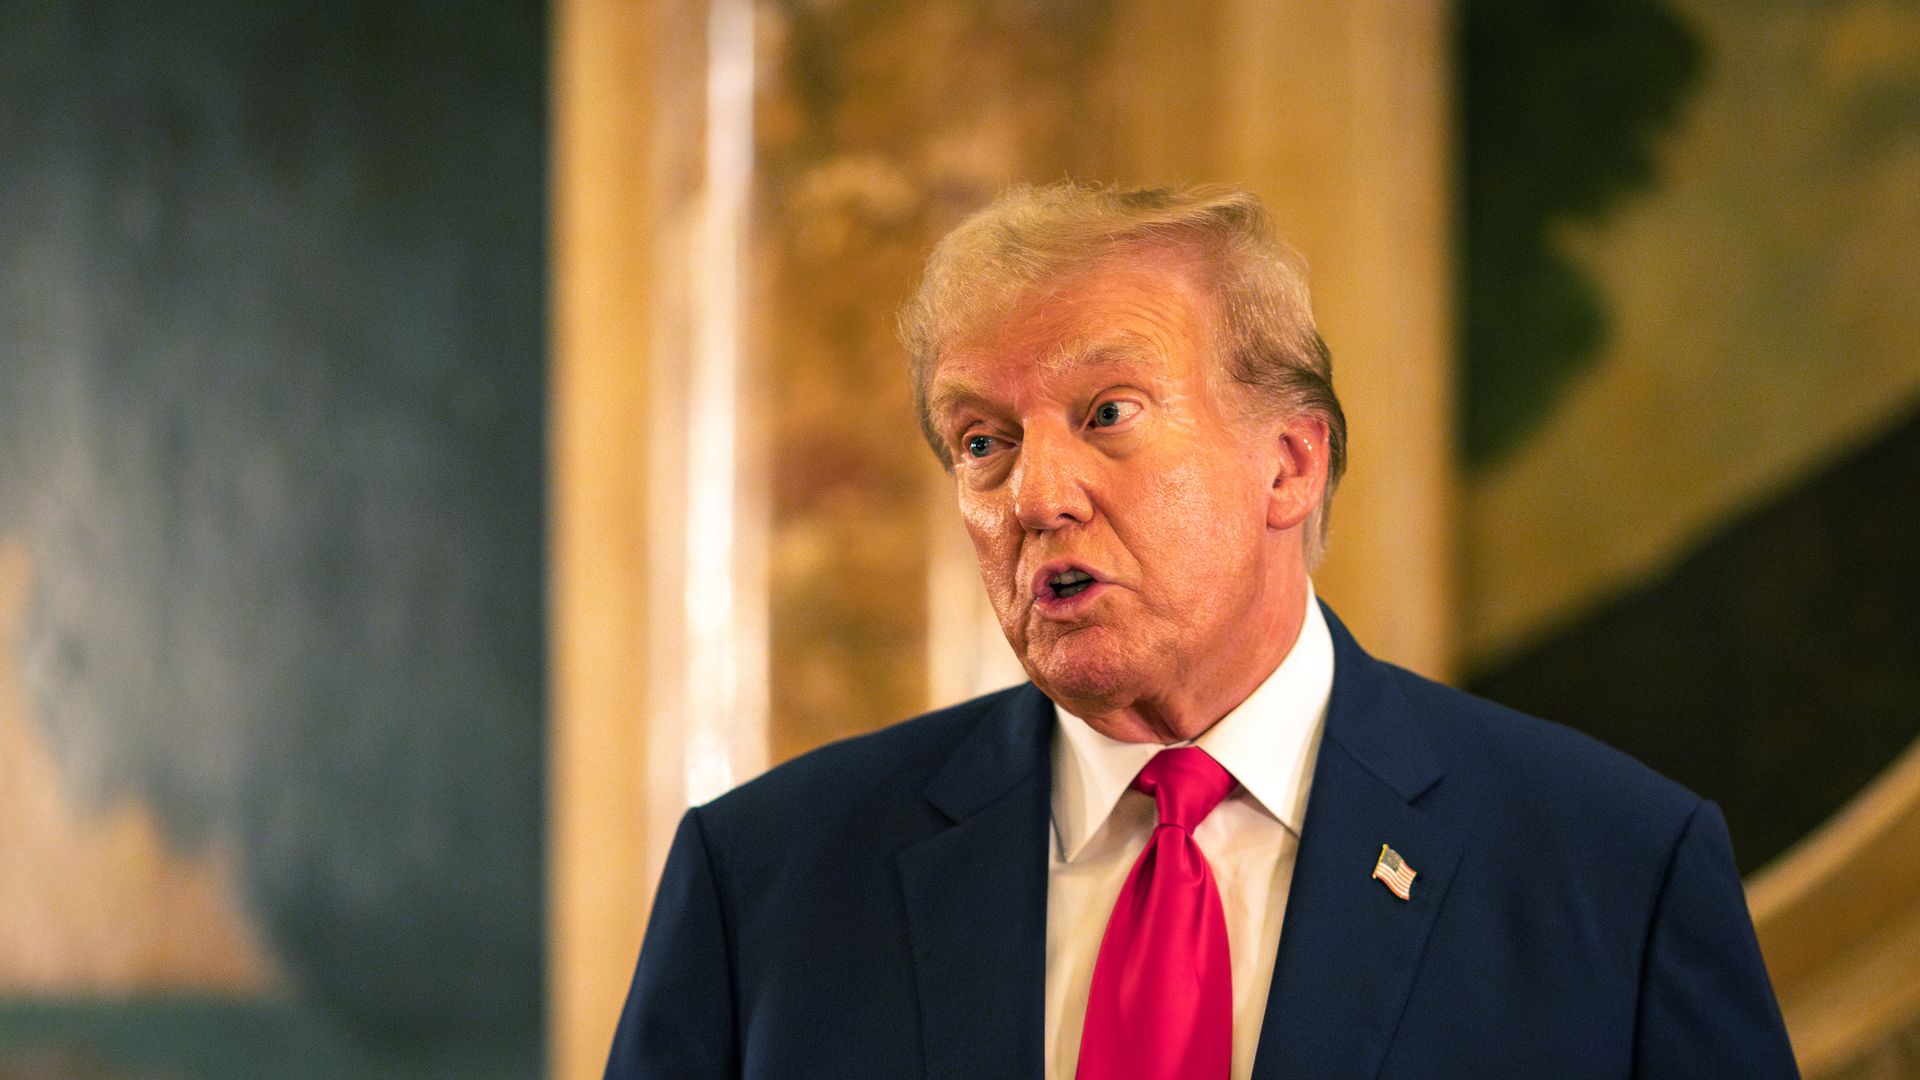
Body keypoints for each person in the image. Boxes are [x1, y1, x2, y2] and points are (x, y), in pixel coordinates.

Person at [604, 183, 1800, 1079]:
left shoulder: (1613, 869)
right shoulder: (765, 882)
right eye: (982, 441)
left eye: (1107, 412)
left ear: (1287, 463)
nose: (1035, 495)